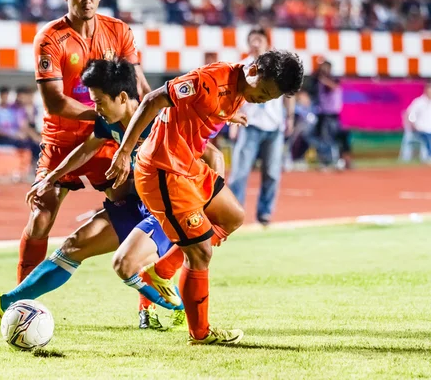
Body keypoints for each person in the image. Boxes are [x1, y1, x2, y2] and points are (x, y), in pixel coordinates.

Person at [0, 59, 186, 330]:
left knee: (130, 266)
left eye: (99, 101)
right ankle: (4, 304)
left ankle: (181, 308)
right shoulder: (112, 120)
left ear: (121, 97)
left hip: (166, 209)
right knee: (73, 246)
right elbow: (86, 149)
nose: (95, 110)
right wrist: (50, 177)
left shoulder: (160, 120)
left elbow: (205, 155)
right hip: (136, 202)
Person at [107, 51, 304, 345]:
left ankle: (160, 272)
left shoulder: (241, 89)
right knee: (200, 253)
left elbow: (212, 109)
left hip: (188, 167)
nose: (262, 100)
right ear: (253, 70)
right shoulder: (207, 82)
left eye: (270, 98)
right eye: (262, 92)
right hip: (163, 170)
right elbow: (151, 101)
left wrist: (228, 114)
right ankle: (200, 333)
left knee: (232, 216)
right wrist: (124, 152)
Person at [15, 0, 151, 284]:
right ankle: (21, 301)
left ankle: (149, 305)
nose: (87, 0)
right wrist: (106, 114)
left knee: (138, 212)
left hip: (107, 143)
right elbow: (55, 102)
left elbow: (138, 85)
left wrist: (143, 121)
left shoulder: (119, 31)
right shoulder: (50, 38)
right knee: (40, 220)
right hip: (61, 142)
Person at [228, 27, 296, 226]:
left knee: (272, 173)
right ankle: (234, 213)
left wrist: (289, 118)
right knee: (239, 172)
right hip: (249, 125)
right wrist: (232, 121)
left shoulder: (279, 67)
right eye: (252, 40)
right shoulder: (241, 67)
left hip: (274, 126)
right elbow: (234, 96)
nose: (255, 43)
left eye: (259, 39)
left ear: (267, 43)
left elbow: (288, 94)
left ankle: (265, 213)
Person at [0, 86, 42, 180]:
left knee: (36, 144)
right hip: (9, 137)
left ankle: (35, 169)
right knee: (32, 144)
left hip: (22, 135)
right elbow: (21, 127)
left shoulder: (29, 109)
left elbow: (27, 126)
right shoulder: (10, 109)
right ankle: (31, 170)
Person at [312, 60, 343, 169]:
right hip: (323, 113)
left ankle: (334, 160)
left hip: (332, 113)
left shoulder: (333, 79)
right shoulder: (317, 80)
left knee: (331, 138)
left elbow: (333, 86)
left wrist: (323, 79)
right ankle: (326, 160)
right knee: (323, 138)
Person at [405, 82, 431, 160]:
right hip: (421, 129)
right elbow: (410, 114)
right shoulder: (419, 102)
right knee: (428, 138)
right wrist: (414, 125)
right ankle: (429, 156)